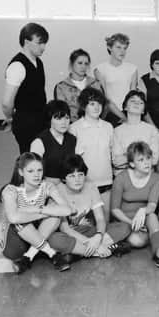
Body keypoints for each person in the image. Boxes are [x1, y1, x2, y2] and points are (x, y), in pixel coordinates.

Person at [0, 152, 73, 274]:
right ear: (21, 172)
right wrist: (44, 212)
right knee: (20, 221)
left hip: (38, 233)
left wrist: (38, 209)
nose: (36, 175)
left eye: (39, 170)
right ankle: (52, 253)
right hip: (16, 236)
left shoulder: (47, 186)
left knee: (55, 216)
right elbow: (13, 218)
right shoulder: (10, 190)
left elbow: (67, 210)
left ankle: (28, 257)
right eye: (30, 171)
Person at [57, 155, 131, 258]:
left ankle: (78, 253)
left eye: (80, 174)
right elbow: (65, 229)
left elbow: (100, 219)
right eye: (72, 176)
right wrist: (89, 243)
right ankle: (99, 250)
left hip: (88, 231)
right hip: (71, 234)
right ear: (64, 179)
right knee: (55, 239)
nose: (77, 180)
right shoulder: (57, 192)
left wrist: (98, 237)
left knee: (124, 226)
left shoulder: (90, 187)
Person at [110, 141, 159, 269]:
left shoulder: (156, 178)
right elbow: (114, 209)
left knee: (152, 216)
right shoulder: (121, 178)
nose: (147, 162)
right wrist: (131, 222)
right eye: (141, 160)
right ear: (131, 163)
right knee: (138, 241)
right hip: (124, 218)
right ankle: (124, 241)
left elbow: (152, 205)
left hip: (145, 216)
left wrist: (142, 210)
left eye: (148, 158)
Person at [1, 23, 49, 153]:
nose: (43, 47)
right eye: (40, 43)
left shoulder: (38, 62)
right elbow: (6, 103)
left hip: (40, 120)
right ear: (27, 42)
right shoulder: (17, 66)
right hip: (26, 123)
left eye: (45, 43)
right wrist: (10, 119)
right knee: (30, 161)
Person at [69, 87, 114, 219]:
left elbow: (111, 153)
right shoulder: (74, 128)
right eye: (92, 103)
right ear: (83, 106)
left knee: (105, 219)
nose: (97, 107)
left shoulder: (108, 126)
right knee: (85, 222)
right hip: (84, 184)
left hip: (106, 182)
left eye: (99, 103)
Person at [112, 90, 159, 175]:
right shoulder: (117, 131)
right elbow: (117, 161)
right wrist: (144, 156)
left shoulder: (151, 130)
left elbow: (155, 160)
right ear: (125, 107)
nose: (136, 103)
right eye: (133, 101)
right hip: (123, 178)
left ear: (143, 110)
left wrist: (127, 157)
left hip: (146, 178)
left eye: (141, 102)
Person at [29, 100, 76, 185]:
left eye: (67, 118)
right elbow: (33, 172)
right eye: (58, 118)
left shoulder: (72, 139)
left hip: (70, 186)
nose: (64, 122)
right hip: (47, 187)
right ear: (50, 120)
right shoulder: (39, 142)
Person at [94, 33, 137, 126]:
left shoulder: (132, 69)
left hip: (129, 113)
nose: (122, 51)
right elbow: (105, 98)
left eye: (125, 48)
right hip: (109, 114)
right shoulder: (100, 69)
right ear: (109, 48)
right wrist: (123, 117)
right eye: (118, 47)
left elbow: (133, 96)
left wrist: (130, 117)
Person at [53, 49, 102, 122]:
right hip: (71, 126)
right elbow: (62, 111)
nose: (83, 66)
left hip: (94, 125)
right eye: (80, 63)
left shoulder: (95, 84)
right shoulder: (61, 87)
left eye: (86, 64)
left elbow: (103, 106)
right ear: (72, 64)